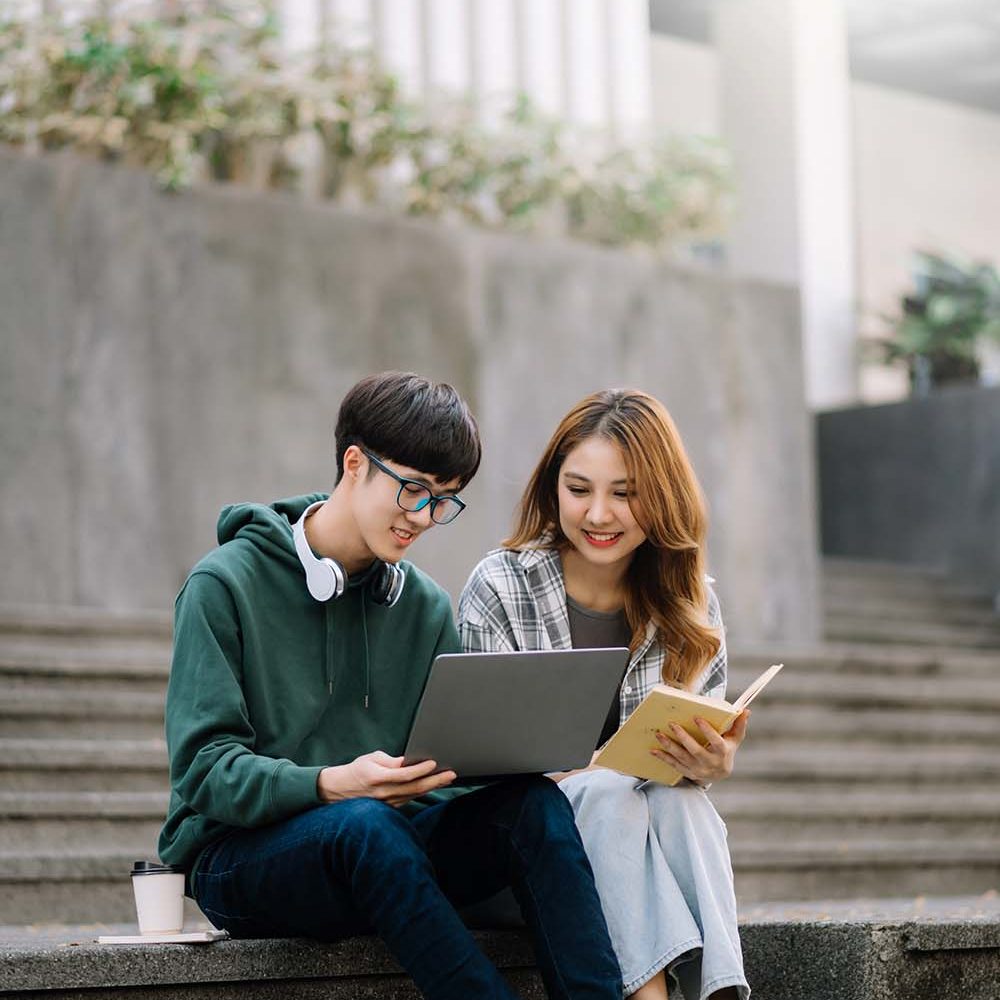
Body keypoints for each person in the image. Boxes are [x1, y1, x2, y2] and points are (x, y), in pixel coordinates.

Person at [158, 372, 622, 1000]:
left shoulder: (424, 606)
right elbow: (204, 772)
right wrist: (327, 784)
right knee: (364, 824)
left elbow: (441, 772)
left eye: (443, 500)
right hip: (242, 860)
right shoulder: (223, 586)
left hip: (385, 850)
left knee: (533, 808)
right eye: (412, 491)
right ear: (354, 463)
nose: (424, 518)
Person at [459, 388, 751, 1000]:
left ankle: (720, 991)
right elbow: (490, 774)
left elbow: (673, 775)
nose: (598, 515)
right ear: (552, 488)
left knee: (684, 804)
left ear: (663, 495)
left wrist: (710, 762)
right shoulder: (500, 584)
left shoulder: (692, 604)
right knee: (612, 790)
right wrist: (597, 771)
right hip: (526, 864)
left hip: (642, 852)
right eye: (579, 488)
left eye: (625, 493)